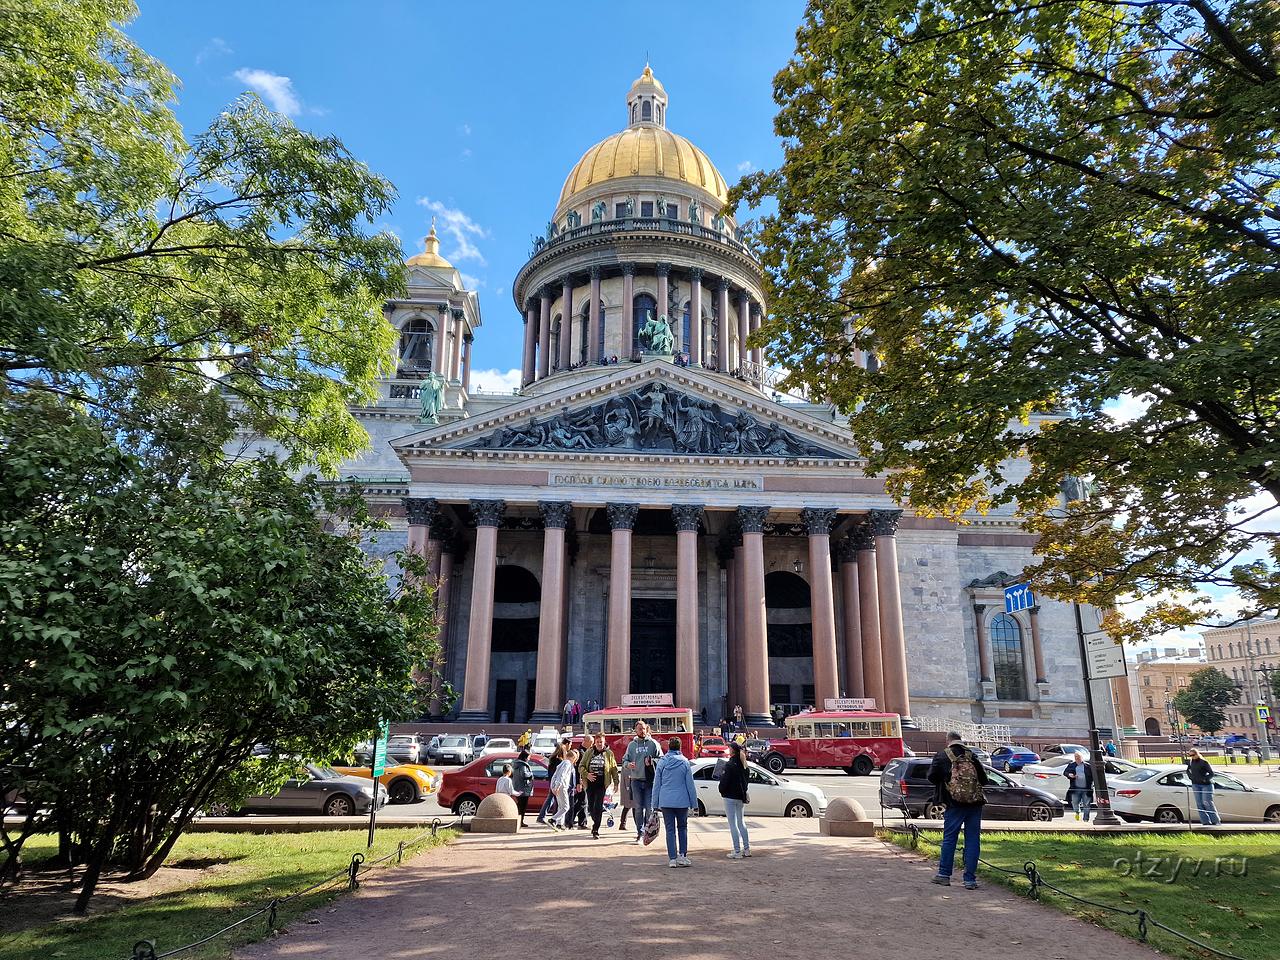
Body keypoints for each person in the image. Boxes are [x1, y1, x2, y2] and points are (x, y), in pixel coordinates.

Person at [927, 732, 989, 889]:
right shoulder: (972, 755)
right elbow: (984, 779)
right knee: (973, 840)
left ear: (947, 741)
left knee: (949, 839)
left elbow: (932, 777)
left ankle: (944, 875)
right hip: (975, 803)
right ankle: (970, 880)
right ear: (961, 740)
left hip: (954, 803)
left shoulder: (942, 755)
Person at [652, 736, 697, 867]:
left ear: (669, 747)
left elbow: (657, 785)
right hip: (682, 801)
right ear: (680, 747)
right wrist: (694, 804)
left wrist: (654, 804)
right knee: (682, 828)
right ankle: (682, 856)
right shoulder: (684, 762)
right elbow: (690, 785)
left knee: (669, 830)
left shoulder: (662, 762)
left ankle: (672, 858)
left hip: (665, 800)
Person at [622, 720, 663, 845]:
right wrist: (628, 764)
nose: (642, 731)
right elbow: (624, 760)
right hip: (635, 780)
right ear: (635, 730)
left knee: (649, 809)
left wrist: (652, 761)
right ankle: (639, 833)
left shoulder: (653, 744)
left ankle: (647, 831)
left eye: (644, 728)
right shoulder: (632, 745)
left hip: (649, 781)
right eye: (640, 729)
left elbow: (661, 759)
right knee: (638, 808)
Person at [578, 732, 620, 838]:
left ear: (604, 742)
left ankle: (596, 829)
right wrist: (587, 775)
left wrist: (616, 782)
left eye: (601, 742)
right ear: (595, 743)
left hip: (602, 784)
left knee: (598, 806)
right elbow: (581, 766)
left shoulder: (609, 753)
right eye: (597, 742)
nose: (599, 744)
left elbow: (614, 768)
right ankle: (595, 820)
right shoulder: (589, 752)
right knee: (591, 807)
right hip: (590, 784)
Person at [719, 742, 751, 859]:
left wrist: (721, 790)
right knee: (741, 822)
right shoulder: (744, 765)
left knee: (732, 824)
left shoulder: (729, 765)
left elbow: (724, 782)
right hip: (740, 797)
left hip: (729, 797)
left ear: (732, 750)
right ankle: (746, 849)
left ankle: (737, 850)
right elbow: (746, 781)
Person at [1187, 748, 1221, 826]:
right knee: (1199, 804)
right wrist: (1191, 777)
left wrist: (1204, 779)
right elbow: (1188, 770)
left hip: (1206, 785)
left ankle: (1215, 821)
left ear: (1197, 754)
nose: (1191, 757)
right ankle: (1205, 822)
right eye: (1190, 755)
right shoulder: (1191, 762)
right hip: (1195, 785)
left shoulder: (1204, 762)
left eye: (1193, 755)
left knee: (1207, 802)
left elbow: (1211, 773)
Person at [536, 744, 565, 824]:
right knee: (557, 801)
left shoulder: (552, 759)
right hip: (555, 782)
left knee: (551, 799)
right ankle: (553, 818)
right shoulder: (559, 761)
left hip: (551, 781)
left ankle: (542, 816)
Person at [1062, 751, 1093, 822]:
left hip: (1086, 788)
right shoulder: (1072, 765)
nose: (1077, 758)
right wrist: (1070, 775)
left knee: (1086, 804)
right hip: (1075, 788)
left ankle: (1086, 819)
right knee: (1074, 802)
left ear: (1082, 758)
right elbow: (1065, 772)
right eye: (1076, 757)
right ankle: (1077, 812)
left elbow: (1093, 776)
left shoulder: (1088, 766)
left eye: (1078, 757)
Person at [549, 750, 575, 831]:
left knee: (561, 806)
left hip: (558, 786)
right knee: (566, 807)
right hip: (562, 786)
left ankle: (560, 824)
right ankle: (553, 819)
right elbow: (562, 775)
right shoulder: (567, 763)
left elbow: (555, 775)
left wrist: (553, 786)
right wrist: (558, 786)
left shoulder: (563, 763)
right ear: (573, 758)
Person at [511, 748, 535, 828]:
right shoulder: (523, 765)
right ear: (525, 757)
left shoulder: (516, 764)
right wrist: (531, 774)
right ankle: (520, 821)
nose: (529, 758)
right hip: (523, 788)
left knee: (520, 805)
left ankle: (519, 821)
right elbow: (524, 774)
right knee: (522, 806)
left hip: (518, 786)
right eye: (529, 757)